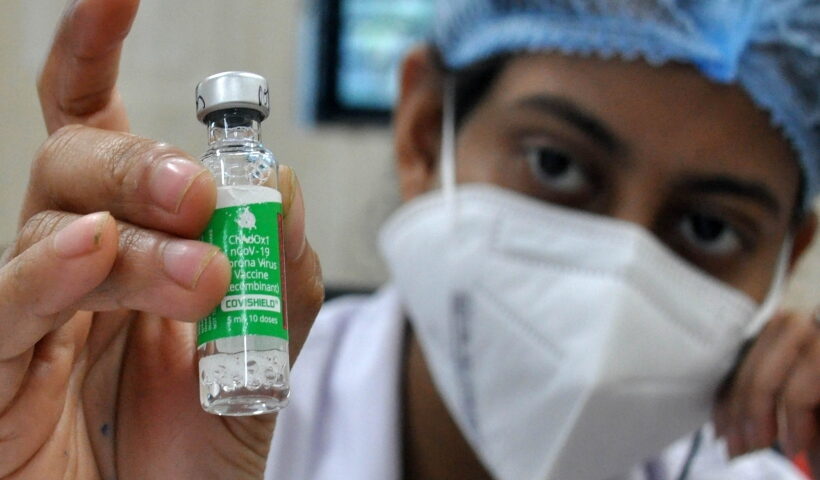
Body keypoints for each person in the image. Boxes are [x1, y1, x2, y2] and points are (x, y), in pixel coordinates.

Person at [0, 0, 817, 479]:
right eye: (557, 165)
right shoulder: (198, 416)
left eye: (709, 226)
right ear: (426, 133)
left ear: (793, 250)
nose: (616, 274)